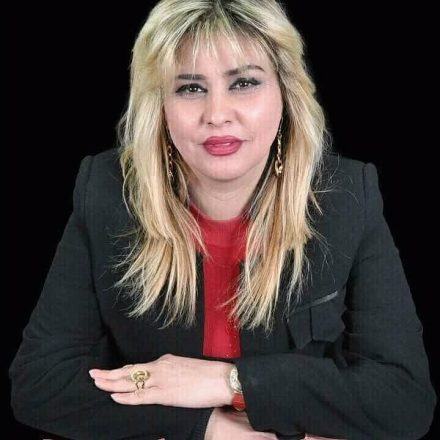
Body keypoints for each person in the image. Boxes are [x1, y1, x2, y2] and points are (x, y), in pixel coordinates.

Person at [9, 0, 437, 439]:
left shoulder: (346, 198)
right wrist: (207, 427)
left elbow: (404, 397)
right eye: (190, 88)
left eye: (244, 83)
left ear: (286, 93)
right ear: (161, 105)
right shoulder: (107, 191)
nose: (216, 114)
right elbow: (39, 383)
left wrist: (229, 382)